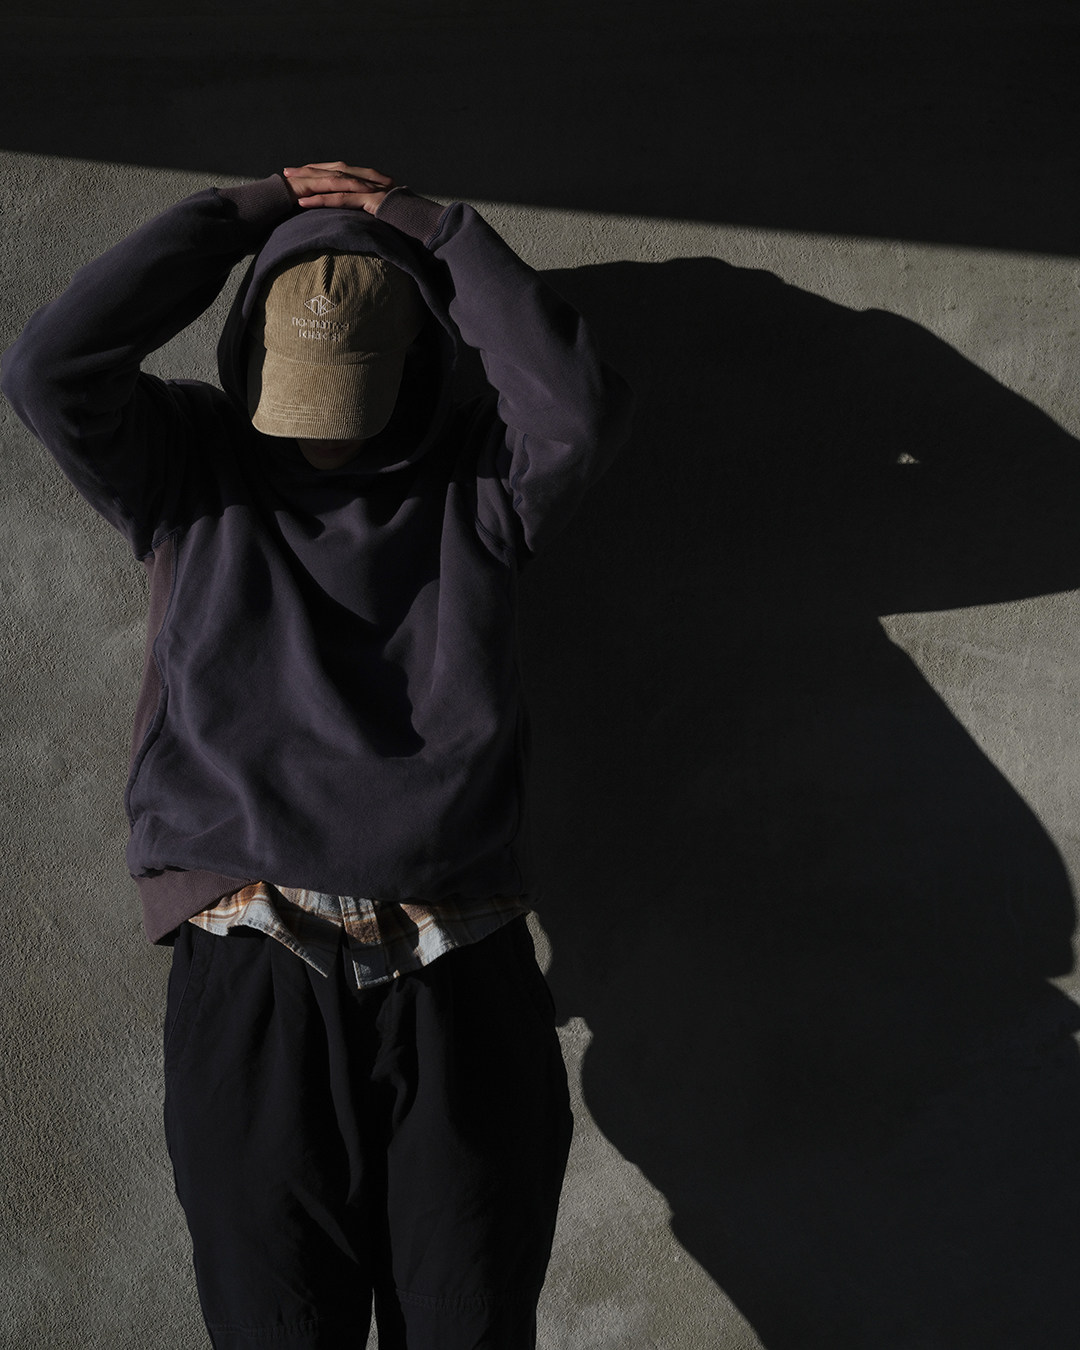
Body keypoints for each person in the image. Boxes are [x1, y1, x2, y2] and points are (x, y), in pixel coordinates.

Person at [1, 161, 633, 1349]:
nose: (321, 439)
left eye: (348, 399)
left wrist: (433, 229)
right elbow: (47, 369)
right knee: (275, 1329)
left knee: (469, 1328)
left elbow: (581, 409)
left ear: (416, 363)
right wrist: (238, 214)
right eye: (297, 397)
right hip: (256, 962)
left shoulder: (480, 479)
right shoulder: (187, 459)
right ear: (249, 355)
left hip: (456, 963)